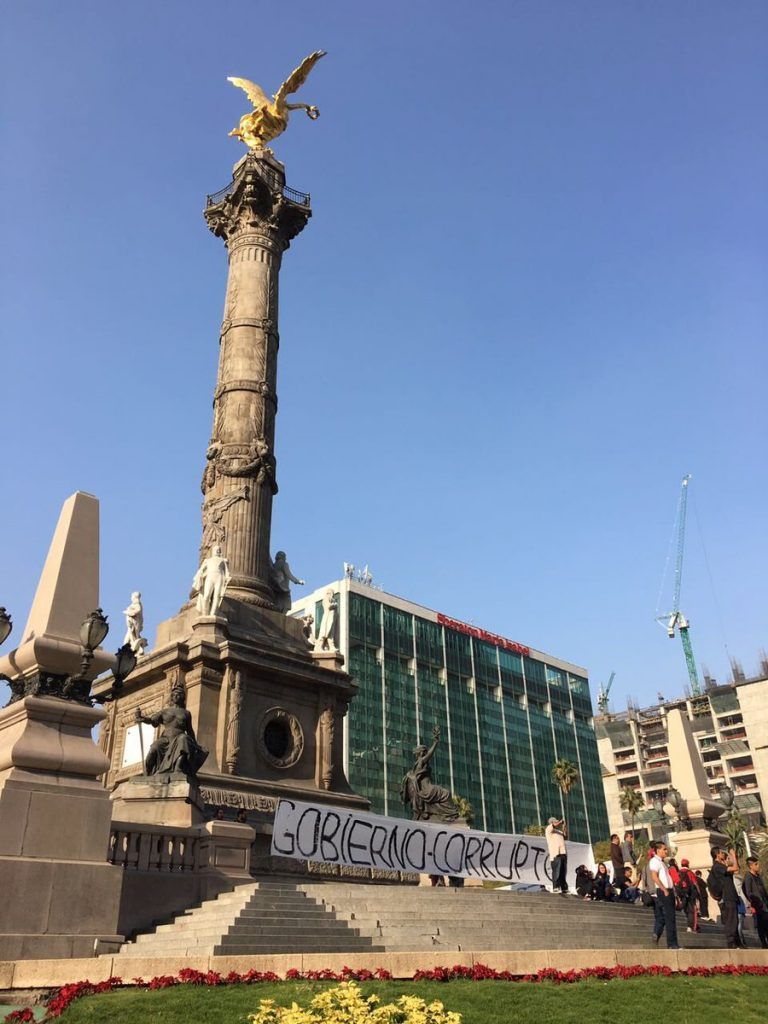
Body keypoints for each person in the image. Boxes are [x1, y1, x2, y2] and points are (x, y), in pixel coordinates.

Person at [136, 684, 209, 778]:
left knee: (183, 740)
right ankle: (148, 773)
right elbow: (152, 720)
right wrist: (142, 718)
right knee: (154, 749)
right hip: (166, 739)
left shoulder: (186, 713)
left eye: (179, 694)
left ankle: (178, 769)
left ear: (182, 697)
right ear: (171, 697)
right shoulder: (165, 711)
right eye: (174, 694)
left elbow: (190, 730)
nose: (176, 696)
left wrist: (195, 744)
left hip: (179, 737)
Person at [400, 726, 458, 823]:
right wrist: (435, 743)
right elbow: (430, 755)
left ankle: (447, 814)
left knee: (445, 793)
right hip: (426, 789)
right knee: (446, 794)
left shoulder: (417, 764)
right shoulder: (421, 761)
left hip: (426, 787)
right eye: (424, 752)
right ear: (421, 753)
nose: (426, 753)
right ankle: (451, 814)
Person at [649, 840, 681, 949]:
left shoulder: (663, 862)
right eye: (664, 849)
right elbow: (654, 876)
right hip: (663, 891)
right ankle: (672, 944)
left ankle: (659, 935)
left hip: (669, 891)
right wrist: (664, 889)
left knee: (666, 917)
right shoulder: (654, 861)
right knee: (669, 917)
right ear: (658, 850)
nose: (666, 851)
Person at [708, 847, 741, 949]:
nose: (723, 854)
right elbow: (735, 868)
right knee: (731, 920)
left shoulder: (721, 866)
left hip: (730, 896)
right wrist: (733, 855)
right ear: (717, 855)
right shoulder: (717, 866)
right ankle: (731, 942)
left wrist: (731, 859)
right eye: (721, 853)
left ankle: (736, 942)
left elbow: (736, 870)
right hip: (726, 897)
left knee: (734, 920)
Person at [743, 856, 768, 948]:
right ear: (751, 866)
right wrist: (752, 904)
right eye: (756, 864)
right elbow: (748, 892)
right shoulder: (748, 876)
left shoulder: (758, 876)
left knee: (765, 923)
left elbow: (763, 890)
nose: (758, 866)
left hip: (764, 903)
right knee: (761, 924)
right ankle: (764, 944)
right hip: (757, 904)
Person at [545, 817, 569, 894]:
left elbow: (565, 836)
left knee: (563, 872)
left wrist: (564, 827)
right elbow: (554, 825)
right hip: (555, 854)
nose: (557, 822)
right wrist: (560, 822)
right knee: (556, 871)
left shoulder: (558, 832)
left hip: (563, 853)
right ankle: (556, 887)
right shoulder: (549, 829)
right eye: (555, 821)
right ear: (552, 822)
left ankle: (564, 888)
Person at [676, 858, 700, 933]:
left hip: (682, 894)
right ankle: (691, 926)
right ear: (688, 865)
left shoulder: (678, 873)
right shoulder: (690, 873)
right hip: (690, 895)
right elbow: (695, 883)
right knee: (692, 910)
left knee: (686, 910)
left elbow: (676, 883)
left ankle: (690, 925)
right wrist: (699, 893)